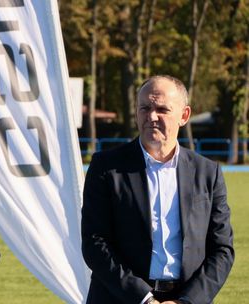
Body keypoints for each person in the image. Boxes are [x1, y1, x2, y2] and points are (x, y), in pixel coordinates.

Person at [81, 75, 234, 304]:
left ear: (184, 116)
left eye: (162, 109)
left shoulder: (207, 172)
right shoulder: (106, 168)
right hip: (120, 298)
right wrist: (145, 299)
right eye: (144, 108)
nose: (152, 116)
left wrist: (186, 301)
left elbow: (222, 250)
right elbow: (95, 242)